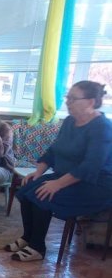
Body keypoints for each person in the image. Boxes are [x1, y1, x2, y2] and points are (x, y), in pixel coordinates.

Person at [8, 81, 112, 262]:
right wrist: (38, 172)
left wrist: (57, 184)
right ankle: (28, 237)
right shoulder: (70, 121)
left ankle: (37, 247)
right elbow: (54, 150)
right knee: (27, 188)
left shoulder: (102, 127)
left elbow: (90, 166)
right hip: (68, 176)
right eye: (67, 97)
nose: (68, 102)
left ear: (90, 102)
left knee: (42, 195)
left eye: (73, 99)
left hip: (95, 183)